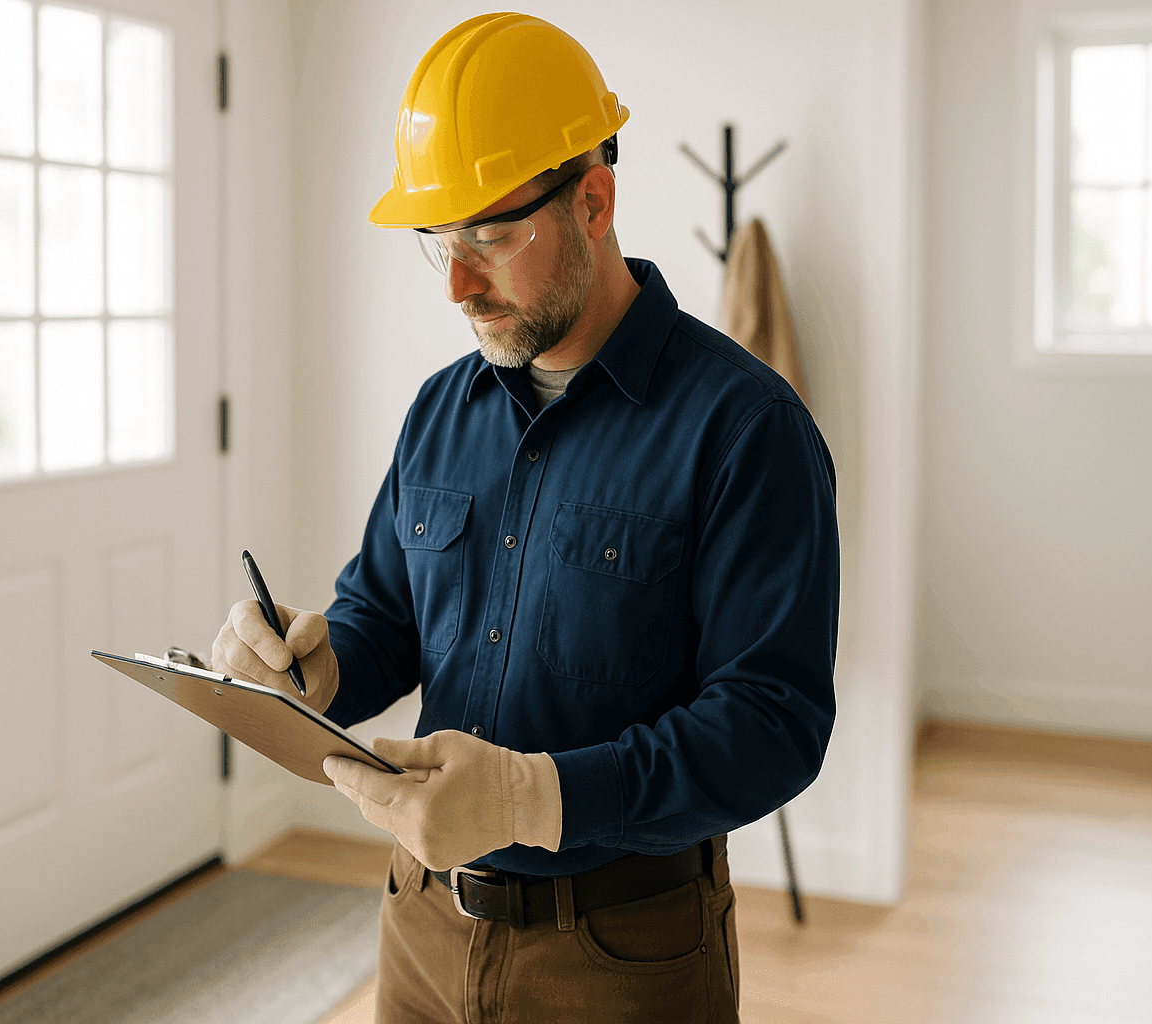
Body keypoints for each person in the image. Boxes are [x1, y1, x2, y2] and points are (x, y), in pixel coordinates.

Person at [211, 12, 838, 1023]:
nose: (459, 286)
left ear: (594, 199)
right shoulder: (439, 409)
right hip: (417, 926)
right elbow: (385, 613)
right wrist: (314, 667)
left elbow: (774, 726)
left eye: (492, 238)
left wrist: (533, 796)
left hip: (620, 958)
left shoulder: (746, 428)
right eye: (439, 245)